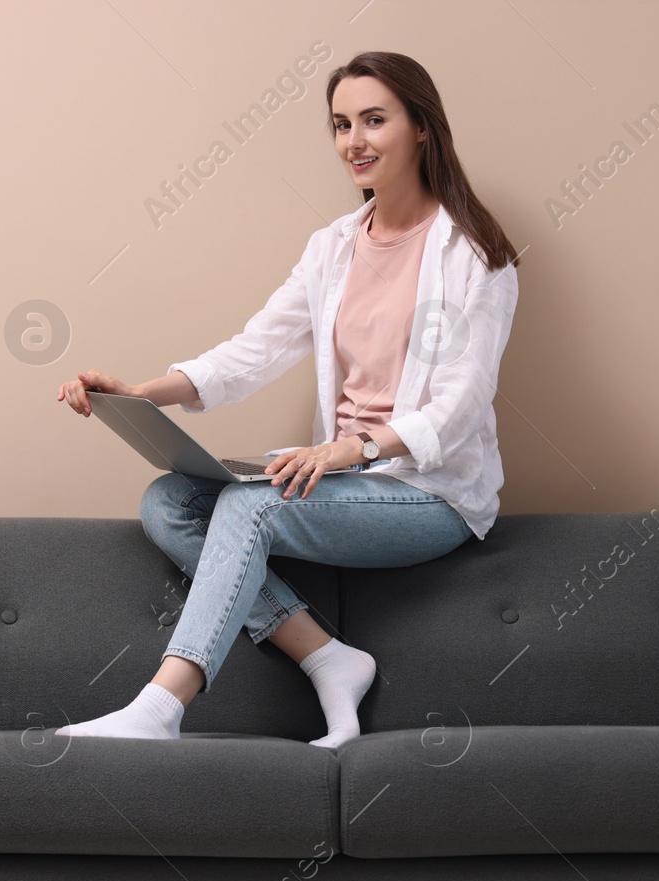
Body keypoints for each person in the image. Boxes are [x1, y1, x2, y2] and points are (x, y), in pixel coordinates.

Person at [54, 51, 520, 747]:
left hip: (429, 489)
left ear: (421, 127)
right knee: (168, 501)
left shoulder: (474, 254)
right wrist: (145, 391)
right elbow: (255, 349)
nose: (353, 142)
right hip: (342, 474)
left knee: (251, 504)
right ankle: (328, 655)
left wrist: (353, 447)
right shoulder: (334, 246)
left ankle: (161, 707)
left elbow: (459, 405)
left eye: (373, 120)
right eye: (340, 125)